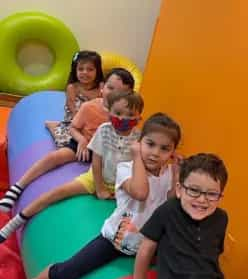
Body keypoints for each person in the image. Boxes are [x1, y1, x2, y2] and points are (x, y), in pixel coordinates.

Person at [12, 113, 182, 279]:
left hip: (147, 244)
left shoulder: (168, 172)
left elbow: (170, 201)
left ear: (172, 152)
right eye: (150, 144)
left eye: (164, 149)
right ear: (138, 143)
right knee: (70, 271)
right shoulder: (126, 168)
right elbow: (141, 192)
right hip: (114, 240)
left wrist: (178, 172)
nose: (155, 153)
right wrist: (136, 156)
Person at [0, 91, 143, 243]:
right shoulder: (104, 130)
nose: (122, 118)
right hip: (95, 178)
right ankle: (14, 223)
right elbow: (97, 161)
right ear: (109, 112)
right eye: (118, 113)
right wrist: (100, 188)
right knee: (57, 192)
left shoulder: (139, 137)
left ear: (139, 117)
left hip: (123, 186)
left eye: (129, 114)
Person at [0, 68, 135, 214]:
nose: (114, 94)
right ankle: (18, 187)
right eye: (110, 88)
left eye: (121, 92)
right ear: (102, 87)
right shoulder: (89, 107)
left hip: (105, 153)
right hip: (84, 144)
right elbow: (74, 128)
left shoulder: (127, 116)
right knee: (56, 156)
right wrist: (82, 140)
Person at [45, 50, 104, 147]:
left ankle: (57, 124)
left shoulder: (101, 87)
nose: (85, 73)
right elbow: (72, 109)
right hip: (76, 120)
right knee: (65, 142)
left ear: (97, 71)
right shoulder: (72, 88)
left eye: (90, 69)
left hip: (95, 121)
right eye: (81, 69)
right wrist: (82, 129)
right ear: (75, 70)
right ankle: (53, 126)